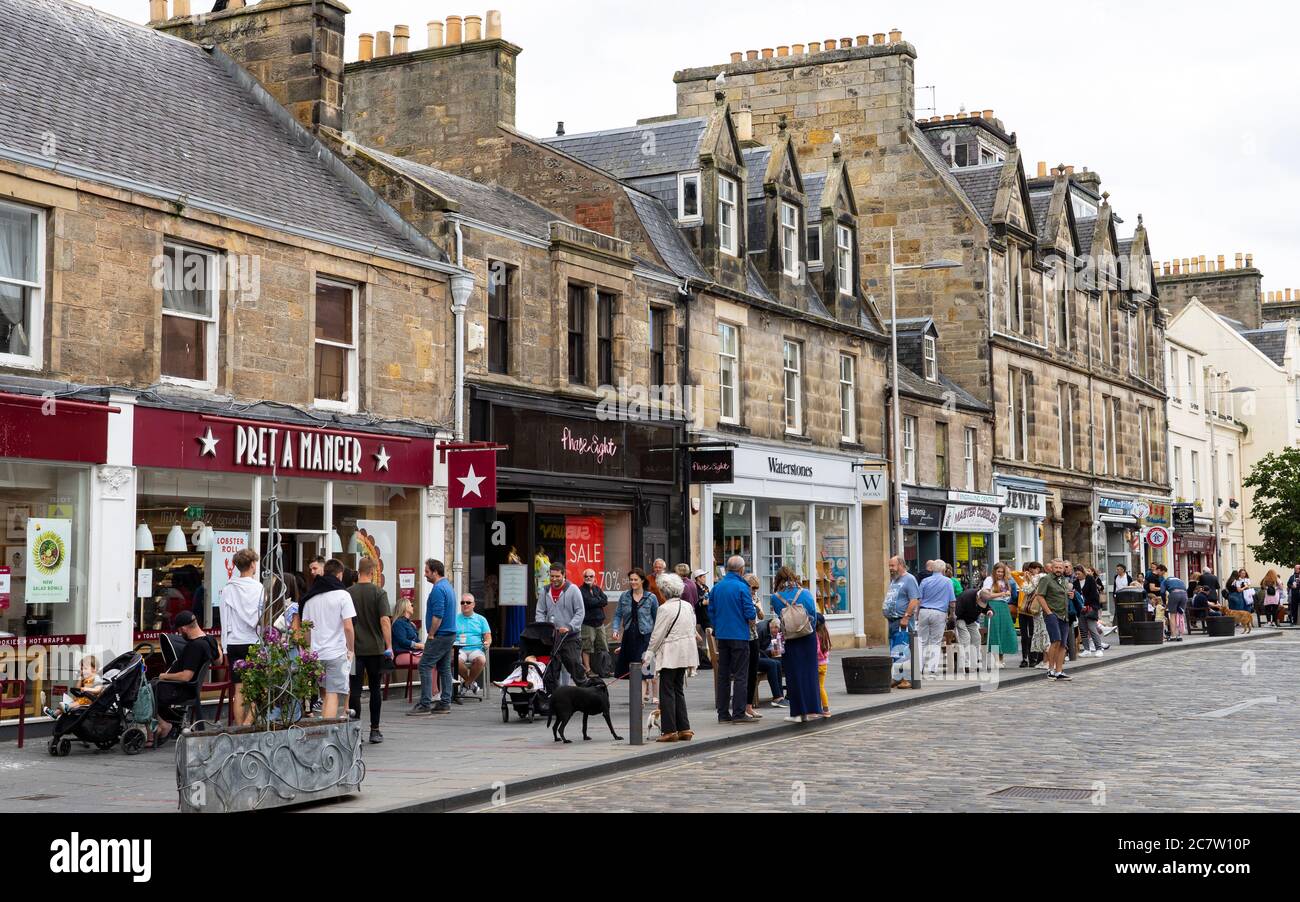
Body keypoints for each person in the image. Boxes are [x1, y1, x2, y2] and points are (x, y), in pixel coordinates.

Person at [643, 571, 698, 743]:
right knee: (678, 690)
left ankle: (669, 730)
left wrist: (649, 654)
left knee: (666, 691)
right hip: (686, 652)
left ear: (664, 591)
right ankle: (684, 728)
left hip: (670, 654)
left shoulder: (664, 608)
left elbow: (657, 634)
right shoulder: (687, 606)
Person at [151, 611, 217, 748]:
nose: (180, 634)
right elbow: (219, 660)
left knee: (145, 692)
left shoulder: (195, 647)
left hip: (180, 689)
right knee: (151, 687)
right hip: (188, 688)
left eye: (180, 631)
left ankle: (164, 725)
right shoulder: (209, 640)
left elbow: (186, 676)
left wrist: (164, 676)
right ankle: (168, 722)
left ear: (184, 629)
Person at [301, 559, 356, 720]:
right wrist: (351, 649)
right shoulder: (343, 595)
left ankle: (323, 728)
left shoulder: (310, 599)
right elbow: (348, 626)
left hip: (317, 654)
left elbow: (306, 630)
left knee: (324, 695)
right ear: (340, 574)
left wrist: (308, 651)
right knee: (333, 695)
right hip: (336, 652)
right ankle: (327, 734)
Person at [347, 557, 392, 742]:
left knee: (355, 690)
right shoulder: (379, 593)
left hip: (354, 650)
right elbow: (385, 620)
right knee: (375, 689)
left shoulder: (348, 593)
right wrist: (389, 646)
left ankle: (356, 730)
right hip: (375, 649)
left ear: (358, 571)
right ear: (372, 572)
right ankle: (375, 729)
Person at [217, 547, 262, 726]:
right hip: (254, 641)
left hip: (235, 642)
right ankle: (247, 724)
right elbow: (261, 618)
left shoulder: (228, 589)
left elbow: (224, 619)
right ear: (252, 564)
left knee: (238, 690)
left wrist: (225, 647)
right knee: (257, 688)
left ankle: (239, 727)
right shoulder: (259, 589)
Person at [710, 555, 758, 724]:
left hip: (722, 635)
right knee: (740, 675)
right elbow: (750, 613)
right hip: (739, 635)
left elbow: (711, 611)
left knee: (723, 675)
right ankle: (738, 712)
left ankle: (723, 714)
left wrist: (718, 627)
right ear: (741, 569)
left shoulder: (717, 587)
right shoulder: (742, 587)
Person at [769, 565, 819, 722]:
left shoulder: (775, 597)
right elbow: (813, 615)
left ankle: (798, 713)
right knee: (810, 673)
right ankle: (812, 710)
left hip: (790, 638)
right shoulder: (805, 593)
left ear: (778, 580)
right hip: (807, 636)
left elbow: (779, 616)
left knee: (794, 675)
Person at [410, 559, 457, 716]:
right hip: (449, 634)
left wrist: (431, 634)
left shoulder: (438, 589)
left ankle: (425, 703)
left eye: (427, 571)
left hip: (440, 635)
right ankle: (445, 703)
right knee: (444, 668)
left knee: (424, 666)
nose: (425, 574)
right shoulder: (448, 587)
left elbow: (438, 615)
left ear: (436, 572)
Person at [535, 562, 587, 689]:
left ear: (564, 575)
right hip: (552, 638)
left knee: (575, 668)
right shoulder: (545, 590)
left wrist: (569, 626)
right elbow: (540, 611)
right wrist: (543, 628)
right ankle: (554, 699)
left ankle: (587, 696)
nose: (554, 579)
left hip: (570, 637)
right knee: (551, 671)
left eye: (557, 576)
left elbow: (580, 612)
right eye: (552, 576)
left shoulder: (573, 589)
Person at [612, 567, 659, 703]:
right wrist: (615, 630)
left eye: (635, 580)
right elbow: (618, 615)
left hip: (645, 637)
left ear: (642, 580)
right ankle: (638, 697)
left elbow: (656, 619)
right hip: (629, 636)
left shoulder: (651, 598)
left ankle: (638, 701)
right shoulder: (624, 596)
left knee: (643, 670)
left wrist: (656, 640)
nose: (632, 582)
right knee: (632, 670)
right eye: (631, 579)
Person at [884, 556, 921, 687]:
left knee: (903, 649)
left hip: (902, 621)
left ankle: (907, 679)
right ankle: (897, 677)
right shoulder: (894, 580)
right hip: (893, 621)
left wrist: (906, 616)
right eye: (889, 566)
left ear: (901, 565)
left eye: (892, 566)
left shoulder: (909, 579)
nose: (890, 569)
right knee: (895, 651)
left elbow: (914, 599)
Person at [1033, 560, 1072, 681]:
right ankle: (1050, 670)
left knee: (1063, 645)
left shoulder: (1064, 581)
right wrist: (1048, 612)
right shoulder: (1046, 579)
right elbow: (1039, 596)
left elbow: (1065, 595)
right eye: (1056, 567)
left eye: (1061, 567)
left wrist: (1071, 595)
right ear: (1051, 568)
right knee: (1055, 641)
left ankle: (1059, 671)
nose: (1059, 569)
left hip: (1064, 615)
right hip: (1052, 614)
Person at [917, 559, 955, 676]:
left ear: (932, 569)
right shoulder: (948, 581)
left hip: (924, 611)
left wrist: (917, 615)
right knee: (935, 642)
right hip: (939, 613)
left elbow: (919, 599)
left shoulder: (925, 581)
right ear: (943, 569)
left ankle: (919, 668)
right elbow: (952, 601)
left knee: (922, 641)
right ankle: (931, 669)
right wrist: (952, 614)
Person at [980, 562, 1018, 666]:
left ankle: (1001, 659)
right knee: (994, 632)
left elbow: (1008, 596)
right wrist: (1001, 594)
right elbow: (986, 596)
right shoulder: (989, 580)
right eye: (998, 571)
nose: (1000, 574)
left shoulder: (1005, 581)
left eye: (1002, 572)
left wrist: (1007, 595)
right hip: (993, 606)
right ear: (994, 571)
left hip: (1004, 606)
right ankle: (995, 659)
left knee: (1004, 632)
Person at [456, 594, 491, 694]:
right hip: (459, 649)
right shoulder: (455, 619)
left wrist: (487, 643)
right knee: (454, 660)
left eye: (468, 602)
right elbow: (451, 635)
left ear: (473, 604)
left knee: (481, 660)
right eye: (462, 602)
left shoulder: (481, 619)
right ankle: (471, 683)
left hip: (476, 649)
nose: (465, 604)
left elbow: (488, 637)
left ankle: (466, 684)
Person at [742, 574, 765, 720]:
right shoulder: (743, 597)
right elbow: (748, 620)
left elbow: (761, 617)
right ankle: (742, 706)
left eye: (756, 588)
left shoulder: (755, 599)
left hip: (754, 637)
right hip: (744, 638)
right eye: (753, 588)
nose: (754, 591)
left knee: (753, 672)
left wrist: (757, 607)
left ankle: (749, 706)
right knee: (744, 673)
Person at [579, 568, 609, 677]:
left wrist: (596, 600)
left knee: (602, 646)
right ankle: (587, 670)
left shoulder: (597, 588)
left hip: (599, 622)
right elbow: (587, 602)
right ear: (583, 577)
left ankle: (602, 669)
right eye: (586, 576)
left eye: (591, 576)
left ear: (594, 578)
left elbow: (605, 600)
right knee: (587, 647)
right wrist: (598, 600)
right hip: (587, 623)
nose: (588, 578)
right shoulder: (580, 590)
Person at [1077, 563, 1111, 655]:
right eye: (1076, 574)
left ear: (1083, 573)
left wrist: (1087, 604)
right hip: (1080, 609)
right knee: (1083, 630)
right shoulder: (1076, 582)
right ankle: (1087, 649)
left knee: (1092, 629)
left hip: (1091, 608)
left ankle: (1099, 649)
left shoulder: (1090, 580)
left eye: (1079, 573)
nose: (1077, 576)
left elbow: (1094, 595)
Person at [1016, 562, 1044, 667]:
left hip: (1033, 610)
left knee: (1033, 634)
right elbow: (1014, 574)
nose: (1029, 572)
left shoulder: (1037, 580)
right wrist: (1023, 574)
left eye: (1030, 569)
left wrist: (1032, 577)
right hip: (1023, 610)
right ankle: (1024, 658)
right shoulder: (1022, 580)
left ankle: (1033, 657)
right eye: (1027, 569)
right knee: (1024, 636)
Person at [953, 584, 985, 674]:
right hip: (961, 618)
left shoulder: (984, 596)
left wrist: (990, 611)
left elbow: (986, 608)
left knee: (977, 637)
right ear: (978, 597)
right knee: (966, 639)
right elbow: (958, 613)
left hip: (971, 620)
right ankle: (966, 664)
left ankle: (975, 662)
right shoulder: (966, 597)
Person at [756, 617, 786, 708]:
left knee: (778, 663)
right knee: (773, 664)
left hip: (761, 656)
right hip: (753, 658)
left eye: (777, 628)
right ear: (770, 626)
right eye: (773, 628)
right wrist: (769, 653)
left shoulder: (773, 629)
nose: (775, 631)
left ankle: (780, 696)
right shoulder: (761, 630)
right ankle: (777, 697)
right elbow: (756, 649)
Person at [1162, 570, 1188, 641]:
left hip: (1174, 594)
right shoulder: (1180, 580)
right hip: (1184, 595)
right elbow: (1185, 589)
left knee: (1172, 615)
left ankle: (1173, 635)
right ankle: (1179, 635)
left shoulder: (1164, 581)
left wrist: (1164, 603)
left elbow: (1162, 592)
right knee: (1180, 614)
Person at [814, 614, 832, 716]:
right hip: (824, 664)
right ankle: (826, 709)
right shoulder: (825, 633)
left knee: (815, 687)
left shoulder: (816, 635)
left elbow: (816, 650)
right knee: (821, 687)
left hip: (817, 664)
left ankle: (816, 708)